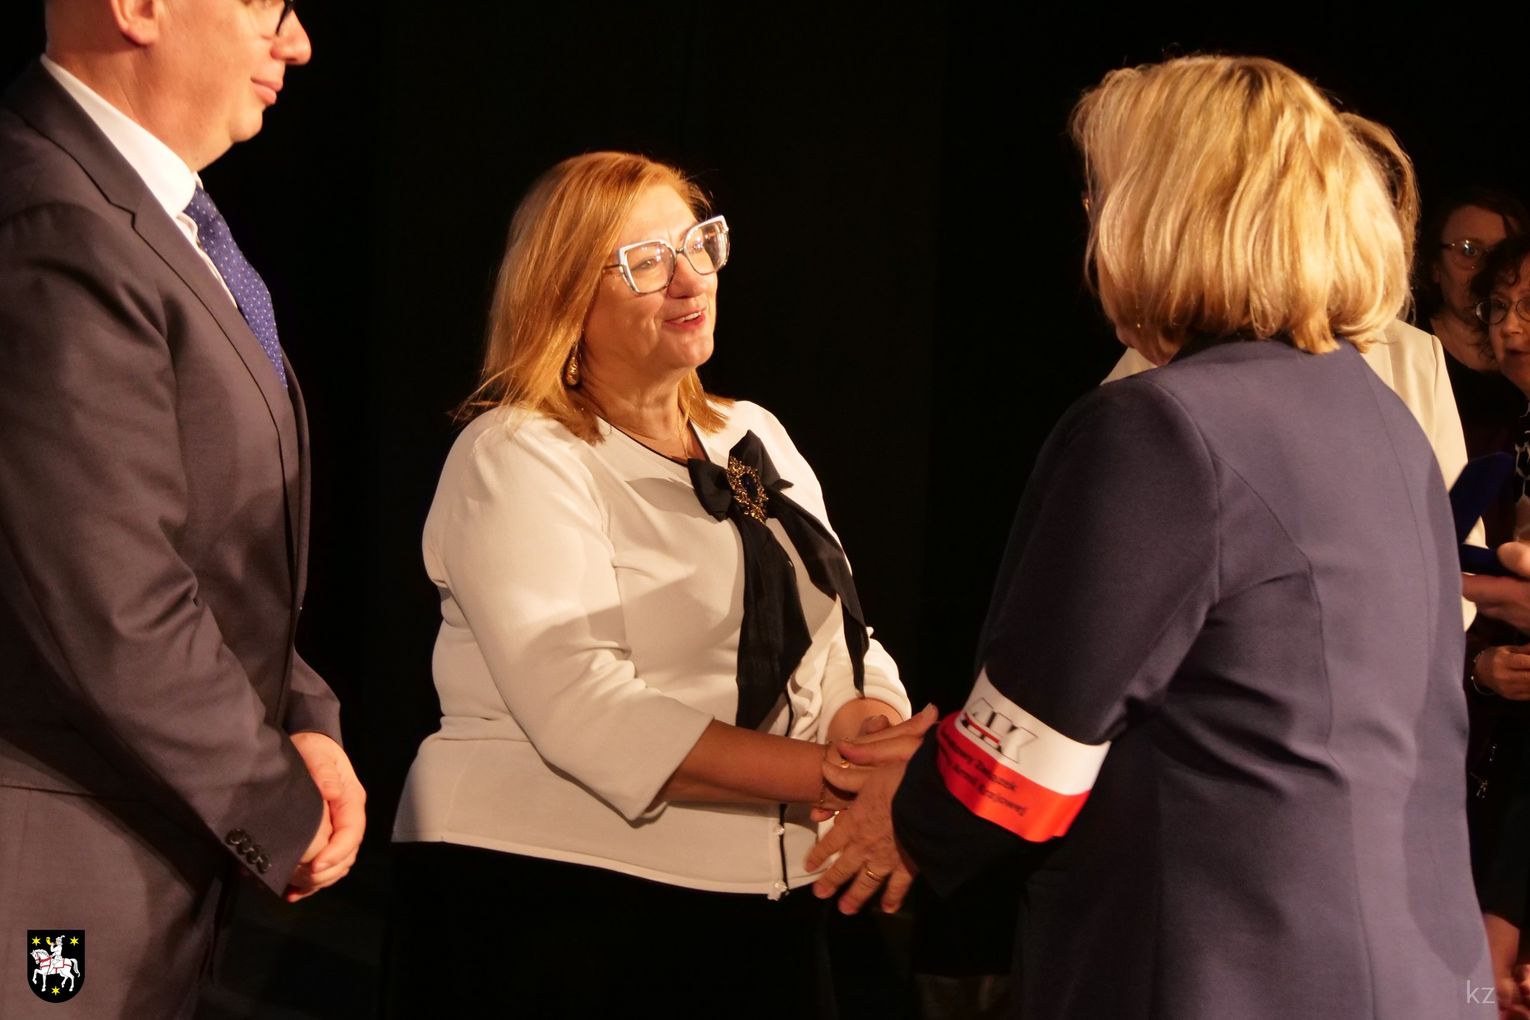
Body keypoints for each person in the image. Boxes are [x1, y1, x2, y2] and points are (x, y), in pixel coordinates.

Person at [807, 55, 1493, 1018]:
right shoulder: (1376, 412)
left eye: (1102, 190)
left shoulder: (1162, 425)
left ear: (1168, 212)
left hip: (1222, 973)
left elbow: (1033, 748)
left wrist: (911, 818)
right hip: (1397, 971)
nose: (1091, 218)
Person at [389, 151, 912, 1018]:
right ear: (563, 296)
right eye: (644, 262)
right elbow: (586, 708)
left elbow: (838, 640)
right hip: (554, 902)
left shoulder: (752, 432)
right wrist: (837, 778)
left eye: (698, 243)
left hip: (760, 897)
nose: (689, 279)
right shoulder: (518, 453)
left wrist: (872, 730)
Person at [0, 3, 364, 1017]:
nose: (297, 41)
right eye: (264, 4)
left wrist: (300, 718)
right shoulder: (52, 221)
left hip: (140, 864)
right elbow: (111, 597)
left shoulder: (150, 216)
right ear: (139, 7)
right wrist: (275, 800)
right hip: (55, 882)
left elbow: (204, 554)